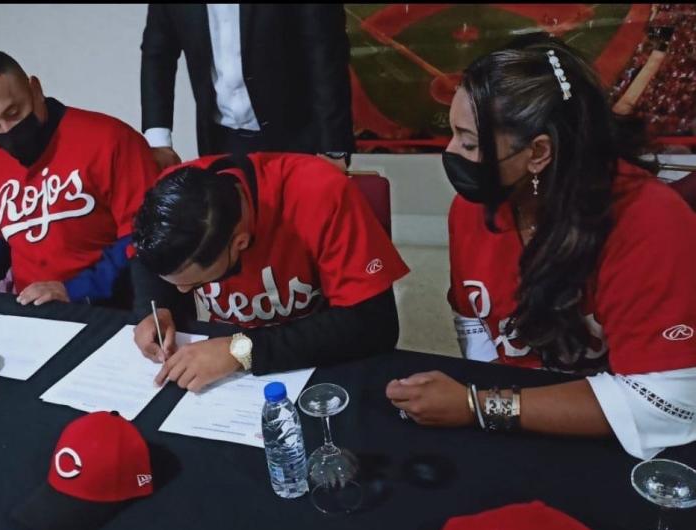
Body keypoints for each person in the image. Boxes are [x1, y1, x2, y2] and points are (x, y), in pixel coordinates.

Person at [385, 37, 696, 460]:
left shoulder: (650, 222)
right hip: (518, 428)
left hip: (619, 448)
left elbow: (669, 404)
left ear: (538, 153)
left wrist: (478, 405)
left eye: (469, 141)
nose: (450, 152)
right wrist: (484, 387)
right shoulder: (470, 211)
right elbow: (473, 320)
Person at [130, 152, 409, 392]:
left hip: (318, 358)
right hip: (228, 363)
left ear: (240, 242)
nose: (183, 292)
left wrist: (240, 351)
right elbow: (146, 263)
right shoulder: (174, 190)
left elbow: (374, 327)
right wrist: (155, 307)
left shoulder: (321, 193)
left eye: (197, 282)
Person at [0, 50, 160, 311]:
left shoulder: (110, 139)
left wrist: (75, 290)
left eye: (14, 112)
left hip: (113, 306)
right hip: (33, 312)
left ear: (35, 89)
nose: (7, 130)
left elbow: (144, 236)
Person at [140, 4, 355, 171]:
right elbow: (158, 53)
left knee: (300, 224)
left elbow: (325, 55)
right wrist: (158, 141)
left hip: (300, 137)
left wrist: (333, 149)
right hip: (220, 139)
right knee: (230, 226)